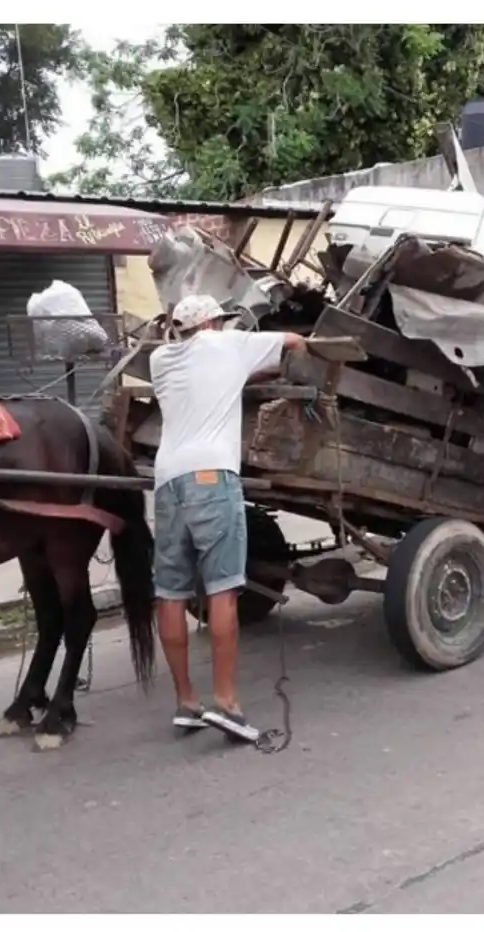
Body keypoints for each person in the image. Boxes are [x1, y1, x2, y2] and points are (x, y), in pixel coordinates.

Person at [148, 294, 305, 740]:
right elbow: (294, 342)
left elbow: (210, 372)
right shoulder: (228, 346)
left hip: (167, 481)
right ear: (215, 323)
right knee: (222, 589)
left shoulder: (161, 359)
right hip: (211, 477)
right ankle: (227, 702)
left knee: (171, 593)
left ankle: (186, 701)